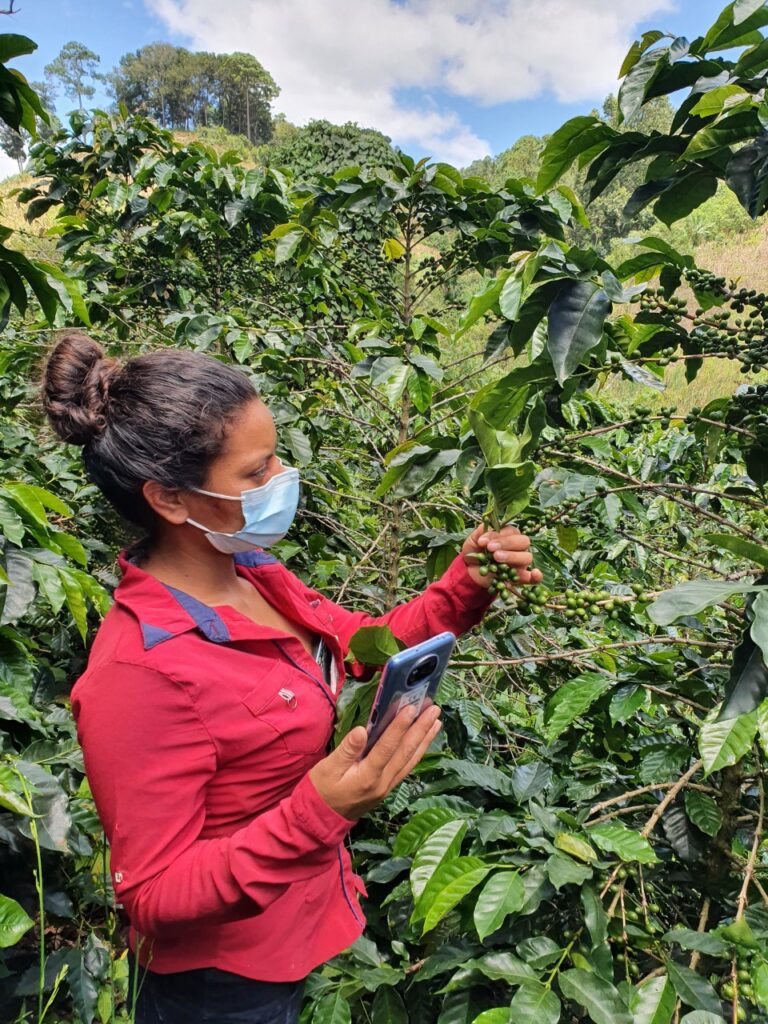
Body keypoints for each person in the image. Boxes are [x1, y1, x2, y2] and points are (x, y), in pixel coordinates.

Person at [42, 332, 542, 1024]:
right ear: (169, 499)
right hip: (219, 988)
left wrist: (466, 586)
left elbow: (362, 649)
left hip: (292, 933)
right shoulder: (142, 671)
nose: (281, 479)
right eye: (255, 472)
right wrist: (323, 805)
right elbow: (151, 893)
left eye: (276, 456)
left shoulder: (252, 574)